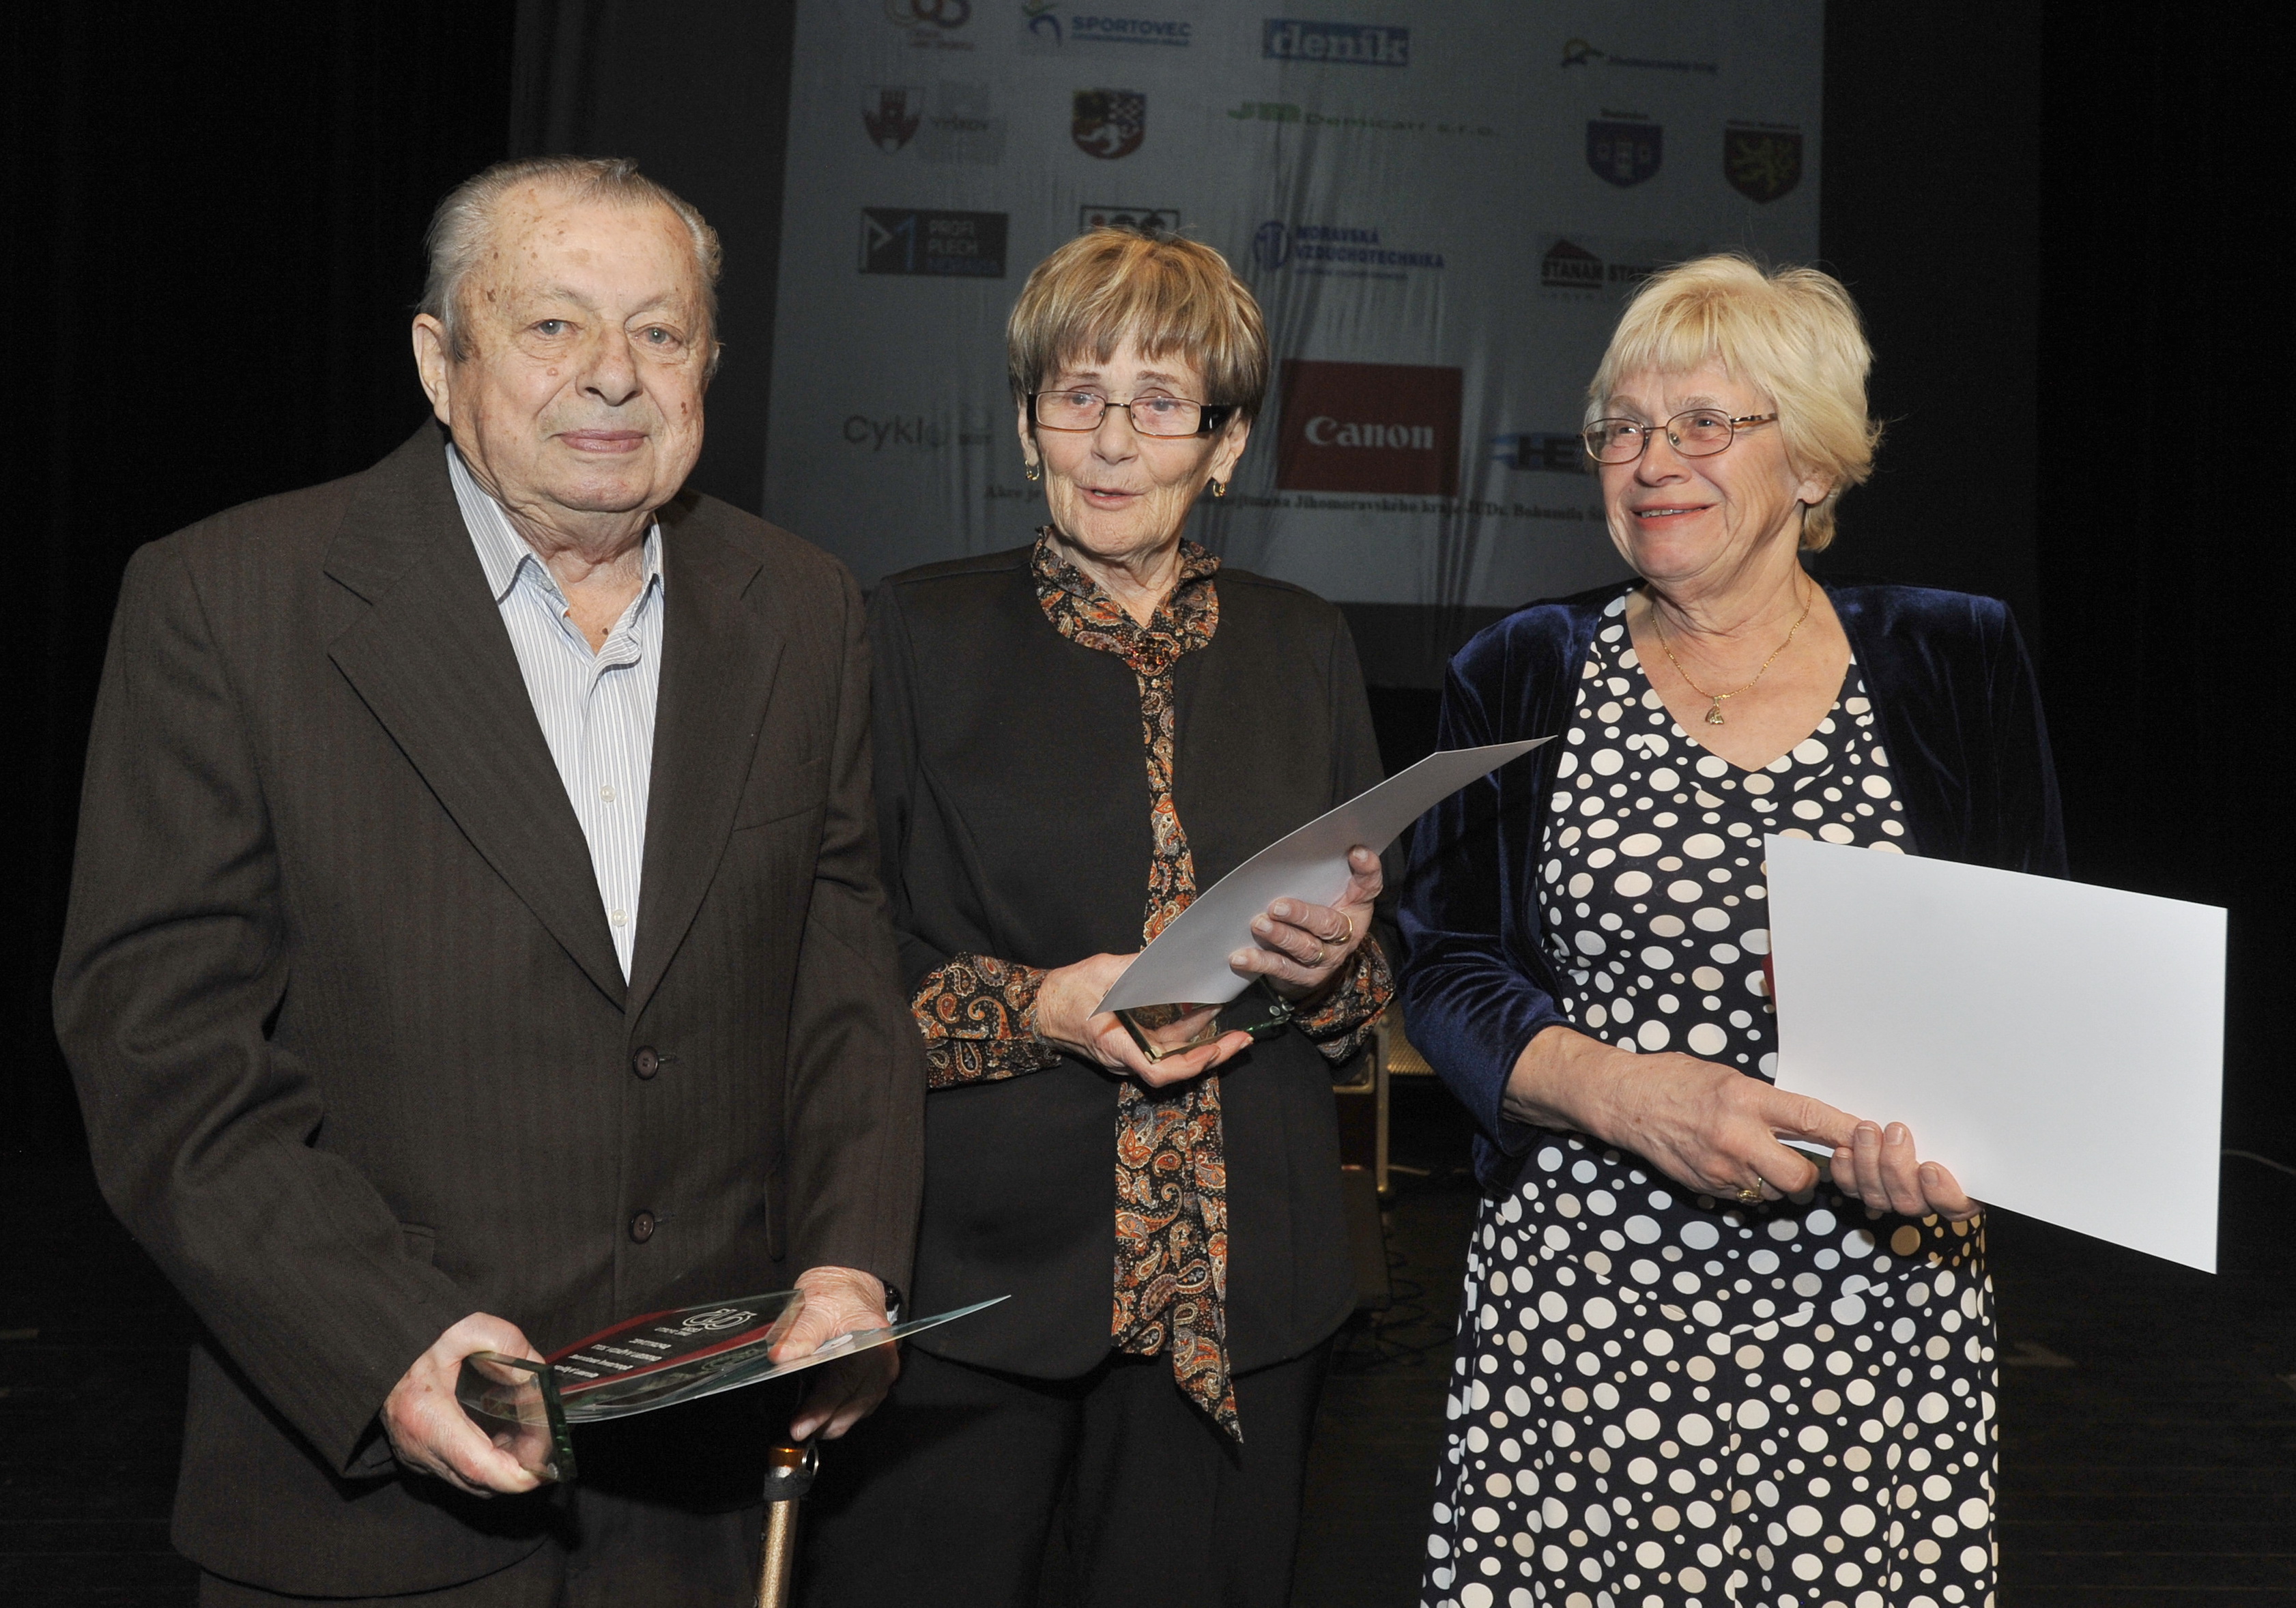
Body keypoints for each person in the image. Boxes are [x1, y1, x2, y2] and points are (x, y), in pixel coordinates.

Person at [52, 156, 925, 1607]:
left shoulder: (803, 605)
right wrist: (386, 1337)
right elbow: (162, 1052)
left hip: (705, 1495)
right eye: (551, 325)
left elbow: (840, 986)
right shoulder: (227, 600)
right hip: (373, 1499)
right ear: (437, 356)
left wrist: (848, 1268)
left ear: (710, 362)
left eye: (660, 332)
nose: (613, 375)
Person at [1400, 255, 2065, 1608]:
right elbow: (1445, 966)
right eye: (1623, 429)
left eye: (1703, 422)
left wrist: (1973, 1142)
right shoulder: (1519, 670)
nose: (1653, 461)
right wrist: (1625, 1093)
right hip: (1587, 1306)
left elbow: (2035, 963)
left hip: (1877, 1309)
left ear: (1810, 462)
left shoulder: (1952, 658)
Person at [803, 226, 1393, 1607]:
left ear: (1225, 444)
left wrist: (1341, 964)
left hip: (1251, 1294)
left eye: (1161, 403)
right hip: (975, 1287)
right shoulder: (909, 633)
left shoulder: (1306, 641)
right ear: (1028, 426)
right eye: (1080, 395)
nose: (1115, 441)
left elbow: (1371, 985)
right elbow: (835, 953)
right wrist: (1039, 1008)